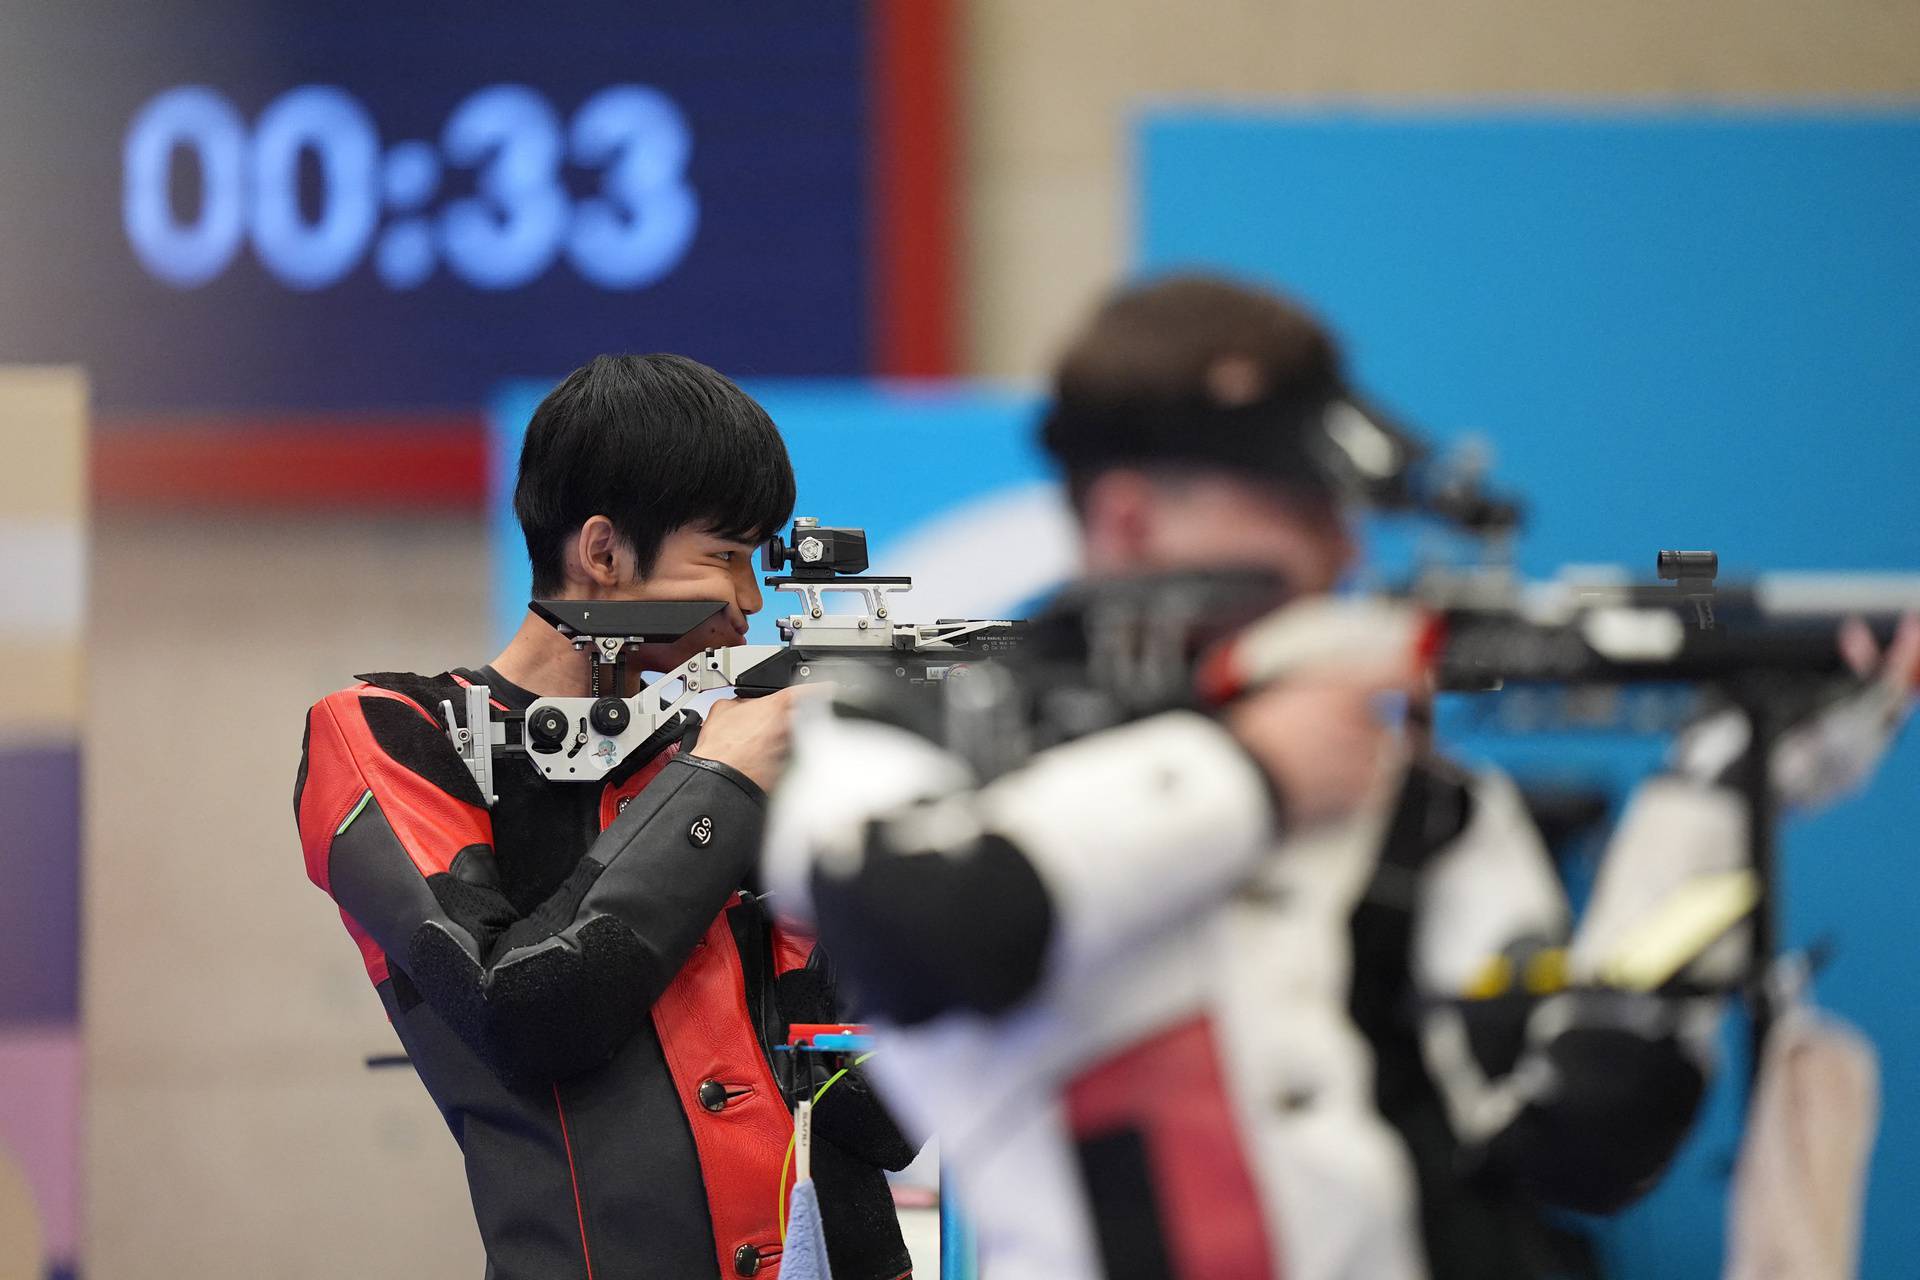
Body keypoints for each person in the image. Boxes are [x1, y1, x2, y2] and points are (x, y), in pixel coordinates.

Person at [761, 277, 1918, 1280]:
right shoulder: (911, 735)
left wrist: (1707, 808)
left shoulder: (1420, 806)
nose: (1342, 556)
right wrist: (1248, 776)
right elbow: (916, 924)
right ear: (1127, 519)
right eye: (1295, 511)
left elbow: (1583, 1150)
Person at [294, 354, 917, 1280]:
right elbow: (521, 1014)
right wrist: (723, 783)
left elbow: (876, 1115)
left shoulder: (718, 750)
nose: (749, 605)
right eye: (726, 557)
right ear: (603, 551)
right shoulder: (391, 730)